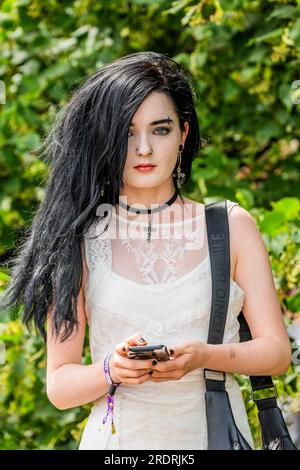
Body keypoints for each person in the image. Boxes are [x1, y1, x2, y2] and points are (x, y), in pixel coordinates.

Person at [0, 51, 292, 450]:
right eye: (126, 132)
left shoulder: (231, 226)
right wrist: (111, 369)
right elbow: (60, 384)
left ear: (183, 133)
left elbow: (276, 353)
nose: (143, 149)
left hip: (214, 436)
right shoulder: (78, 238)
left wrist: (204, 355)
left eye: (159, 130)